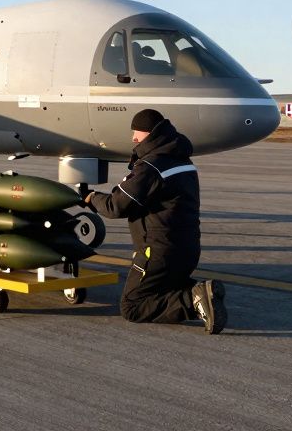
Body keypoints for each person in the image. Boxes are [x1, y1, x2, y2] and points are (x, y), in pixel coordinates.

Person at [78, 108, 227, 334]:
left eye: (138, 133)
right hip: (187, 249)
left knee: (132, 306)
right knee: (164, 288)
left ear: (150, 134)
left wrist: (91, 198)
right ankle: (205, 294)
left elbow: (117, 205)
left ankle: (192, 298)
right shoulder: (183, 161)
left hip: (158, 252)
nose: (133, 138)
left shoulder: (152, 166)